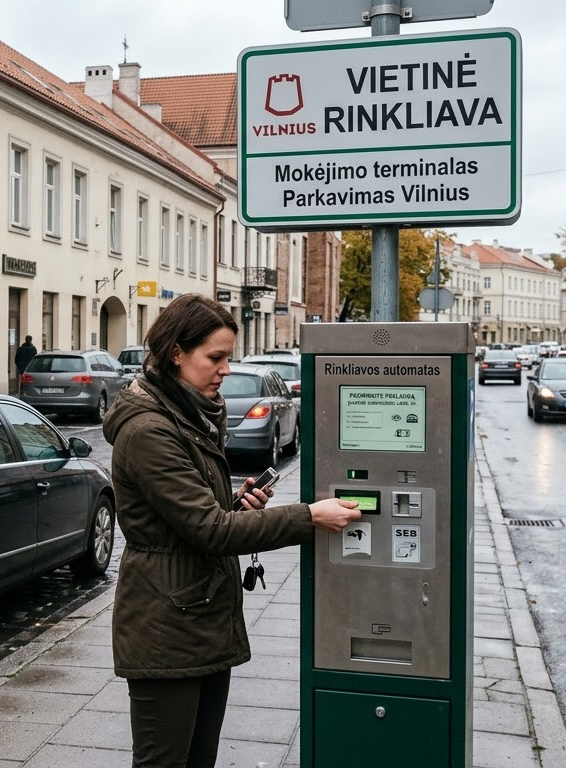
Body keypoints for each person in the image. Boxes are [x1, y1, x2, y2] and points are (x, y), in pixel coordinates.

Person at [101, 294, 361, 767]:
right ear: (176, 352)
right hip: (166, 620)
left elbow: (198, 516)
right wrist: (309, 517)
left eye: (228, 357)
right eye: (215, 358)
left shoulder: (188, 414)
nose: (224, 369)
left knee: (200, 759)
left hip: (199, 611)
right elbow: (211, 531)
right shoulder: (149, 431)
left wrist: (235, 505)